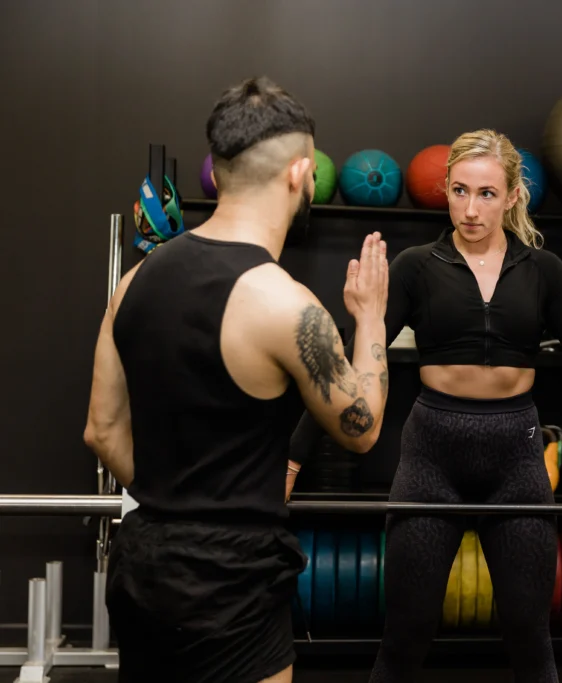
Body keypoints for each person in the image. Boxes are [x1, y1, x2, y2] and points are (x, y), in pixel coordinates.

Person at [290, 128, 562, 681]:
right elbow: (340, 371)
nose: (471, 209)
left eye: (485, 194)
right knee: (406, 633)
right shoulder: (415, 267)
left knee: (530, 636)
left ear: (511, 197)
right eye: (459, 191)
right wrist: (290, 462)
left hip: (516, 456)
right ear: (447, 191)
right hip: (432, 452)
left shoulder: (544, 272)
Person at [82, 76, 390, 683]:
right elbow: (363, 429)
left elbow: (100, 430)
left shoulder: (135, 281)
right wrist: (372, 318)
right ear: (301, 175)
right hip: (232, 581)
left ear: (217, 172)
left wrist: (177, 506)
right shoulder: (286, 305)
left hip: (143, 563)